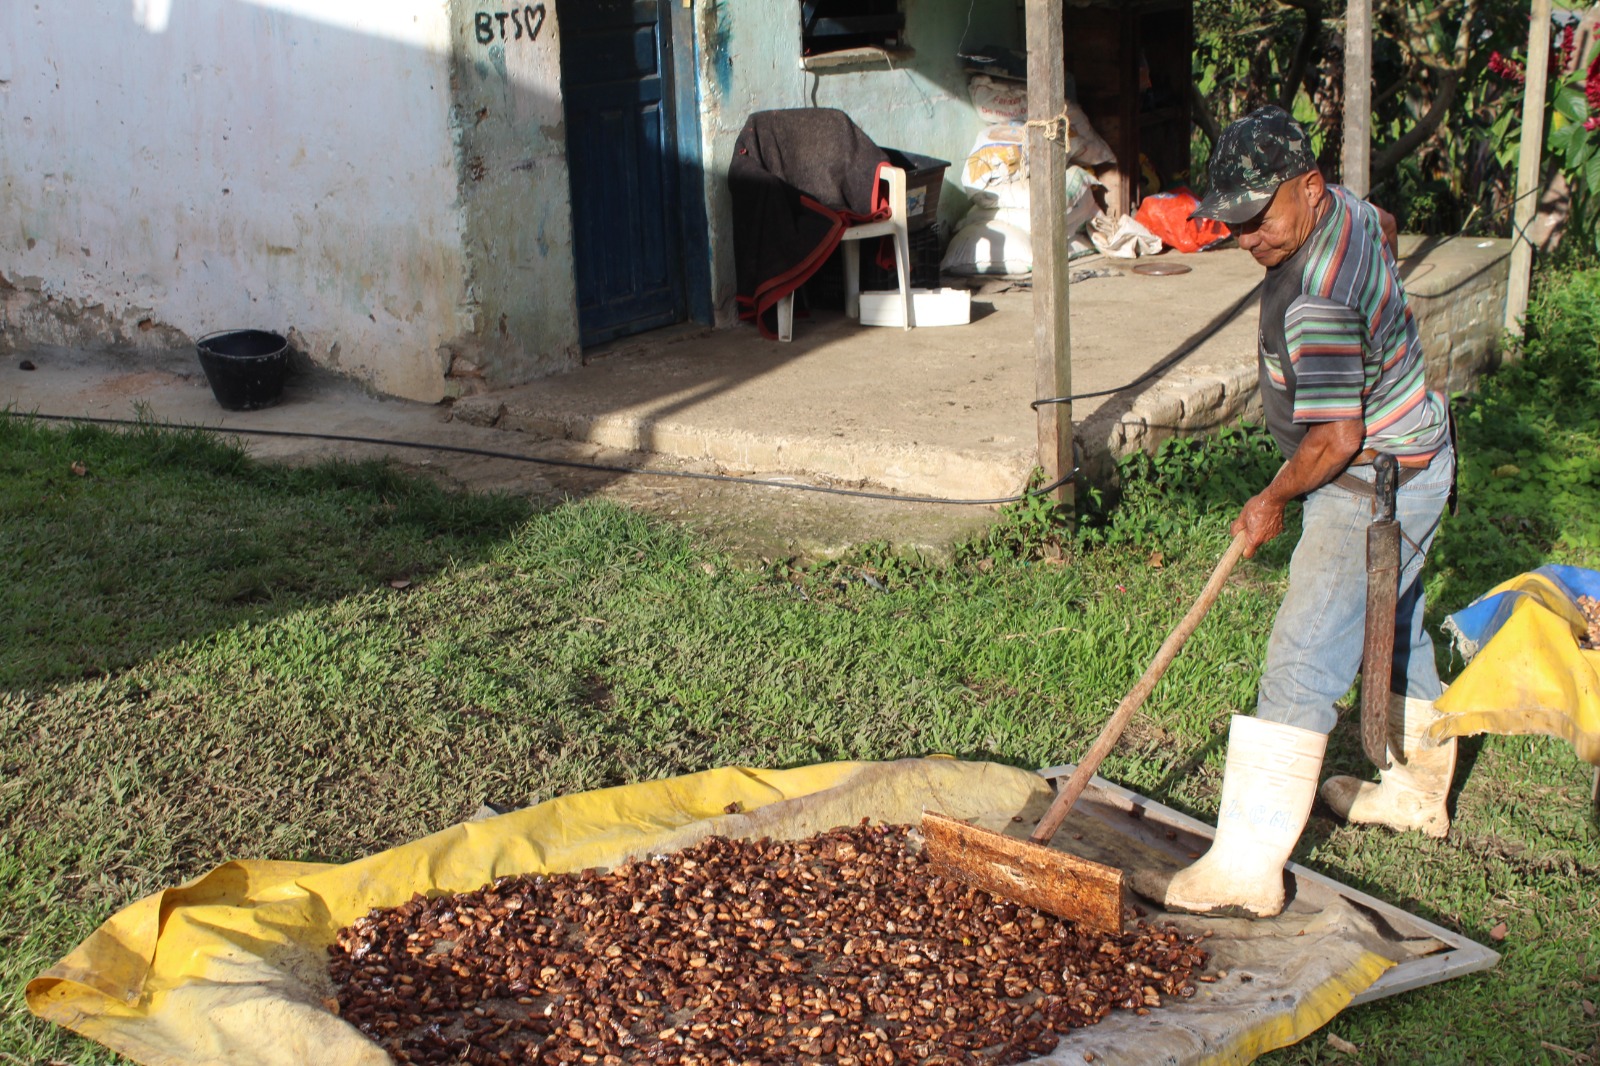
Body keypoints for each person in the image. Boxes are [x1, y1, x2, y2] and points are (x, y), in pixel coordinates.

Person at [1131, 106, 1458, 919]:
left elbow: (1335, 437)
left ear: (1308, 190)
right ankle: (1418, 791)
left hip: (1369, 479)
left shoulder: (1316, 297)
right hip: (1423, 450)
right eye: (1235, 222)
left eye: (1259, 219)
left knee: (1304, 659)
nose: (1248, 239)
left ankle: (1246, 870)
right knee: (1400, 616)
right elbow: (1380, 219)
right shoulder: (1346, 210)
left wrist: (1272, 497)